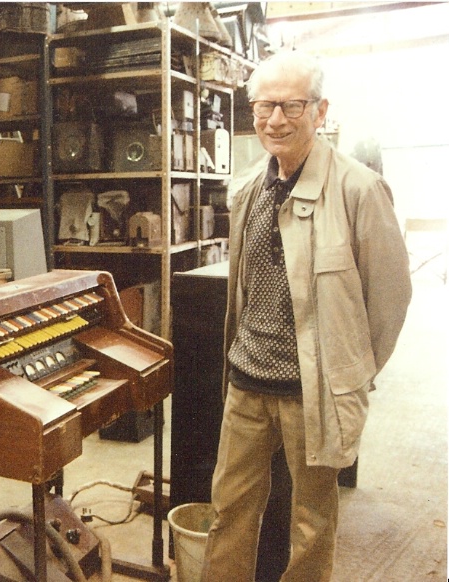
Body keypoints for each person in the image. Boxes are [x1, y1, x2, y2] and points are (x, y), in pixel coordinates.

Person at [201, 50, 411, 581]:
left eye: (291, 105)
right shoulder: (248, 188)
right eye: (264, 106)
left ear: (320, 111)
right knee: (228, 510)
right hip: (247, 384)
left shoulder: (358, 190)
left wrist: (349, 373)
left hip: (313, 393)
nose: (276, 120)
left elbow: (390, 298)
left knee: (312, 522)